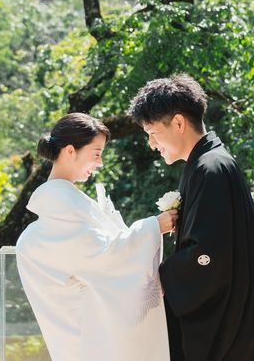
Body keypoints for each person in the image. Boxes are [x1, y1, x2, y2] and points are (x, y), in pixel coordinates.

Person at [127, 74, 254, 361]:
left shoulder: (211, 168)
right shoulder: (207, 162)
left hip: (243, 328)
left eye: (152, 133)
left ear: (178, 123)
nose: (152, 144)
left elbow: (208, 255)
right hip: (246, 316)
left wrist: (155, 277)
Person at [16, 112, 176, 361]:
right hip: (88, 340)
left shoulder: (66, 204)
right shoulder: (61, 208)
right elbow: (103, 257)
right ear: (70, 151)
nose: (100, 163)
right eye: (97, 153)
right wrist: (153, 227)